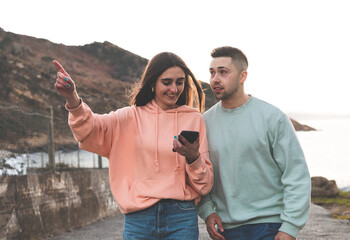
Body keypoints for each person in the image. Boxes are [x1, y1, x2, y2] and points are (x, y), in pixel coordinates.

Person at [52, 52, 213, 240]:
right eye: (167, 82)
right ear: (153, 83)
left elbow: (205, 184)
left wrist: (194, 158)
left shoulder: (194, 119)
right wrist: (72, 97)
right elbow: (91, 128)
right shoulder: (129, 117)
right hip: (139, 219)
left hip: (181, 217)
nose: (174, 89)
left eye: (180, 82)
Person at [196, 46, 311, 240]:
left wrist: (290, 227)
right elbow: (200, 174)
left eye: (223, 72)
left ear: (243, 76)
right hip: (226, 229)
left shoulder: (272, 117)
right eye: (212, 72)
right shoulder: (204, 123)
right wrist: (207, 211)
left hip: (270, 226)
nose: (215, 79)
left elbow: (296, 174)